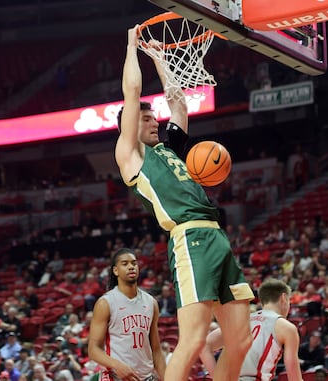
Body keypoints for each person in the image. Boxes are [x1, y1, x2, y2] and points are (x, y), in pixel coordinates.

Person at [114, 25, 254, 381]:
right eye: (145, 119)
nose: (153, 121)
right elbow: (132, 94)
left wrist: (160, 57)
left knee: (240, 339)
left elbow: (177, 101)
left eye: (152, 117)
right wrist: (133, 48)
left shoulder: (168, 147)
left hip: (216, 235)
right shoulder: (131, 155)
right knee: (192, 340)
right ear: (128, 127)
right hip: (190, 238)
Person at [199, 279, 303, 381]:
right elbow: (294, 377)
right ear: (284, 298)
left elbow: (204, 346)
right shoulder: (286, 327)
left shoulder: (241, 321)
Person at [88, 248, 166, 381]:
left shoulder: (151, 302)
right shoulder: (106, 303)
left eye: (134, 263)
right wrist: (117, 365)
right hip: (116, 377)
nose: (131, 267)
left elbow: (157, 351)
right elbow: (93, 350)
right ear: (115, 271)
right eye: (125, 264)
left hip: (147, 377)